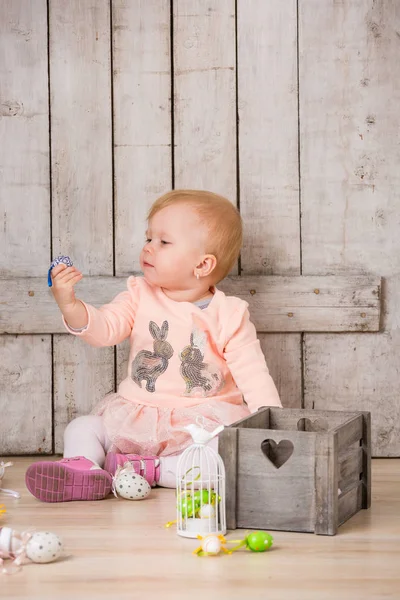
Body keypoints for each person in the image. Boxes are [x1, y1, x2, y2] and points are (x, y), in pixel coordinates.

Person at [25, 190, 282, 502]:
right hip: (136, 420)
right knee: (83, 427)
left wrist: (274, 425)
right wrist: (68, 303)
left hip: (200, 424)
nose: (148, 248)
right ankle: (83, 470)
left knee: (226, 453)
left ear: (202, 264)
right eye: (148, 239)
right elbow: (103, 329)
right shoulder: (138, 294)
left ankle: (153, 470)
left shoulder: (229, 314)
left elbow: (254, 375)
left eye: (163, 242)